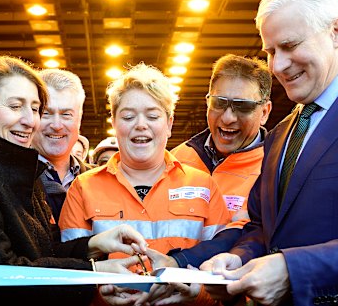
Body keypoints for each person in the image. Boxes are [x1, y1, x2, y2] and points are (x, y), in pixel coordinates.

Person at [201, 0, 338, 305]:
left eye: (290, 46)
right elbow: (262, 226)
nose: (277, 66)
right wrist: (239, 257)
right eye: (270, 51)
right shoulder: (282, 133)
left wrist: (294, 271)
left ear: (336, 32)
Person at [0, 55, 149, 306]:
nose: (30, 121)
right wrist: (94, 273)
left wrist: (94, 245)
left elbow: (42, 252)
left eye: (34, 108)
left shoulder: (20, 172)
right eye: (15, 106)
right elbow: (1, 275)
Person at [58, 63, 232, 305]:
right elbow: (68, 270)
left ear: (169, 124)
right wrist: (100, 291)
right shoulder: (82, 188)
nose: (141, 124)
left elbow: (224, 274)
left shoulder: (204, 185)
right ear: (115, 123)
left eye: (152, 116)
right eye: (128, 116)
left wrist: (198, 293)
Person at [164, 54, 272, 269]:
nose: (228, 117)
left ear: (264, 112)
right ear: (207, 102)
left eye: (242, 106)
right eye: (219, 103)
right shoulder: (176, 159)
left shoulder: (274, 168)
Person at [32, 68, 93, 223]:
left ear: (79, 119)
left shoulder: (101, 181)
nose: (57, 125)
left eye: (66, 114)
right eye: (46, 113)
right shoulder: (8, 180)